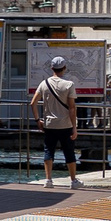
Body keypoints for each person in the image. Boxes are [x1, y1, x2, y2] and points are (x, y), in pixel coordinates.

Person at [31, 54, 80, 189]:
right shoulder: (69, 85)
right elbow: (72, 108)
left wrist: (38, 120)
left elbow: (33, 103)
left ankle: (48, 180)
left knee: (48, 151)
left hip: (49, 124)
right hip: (65, 124)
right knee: (69, 152)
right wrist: (74, 127)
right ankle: (73, 181)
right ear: (64, 68)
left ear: (52, 68)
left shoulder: (44, 84)